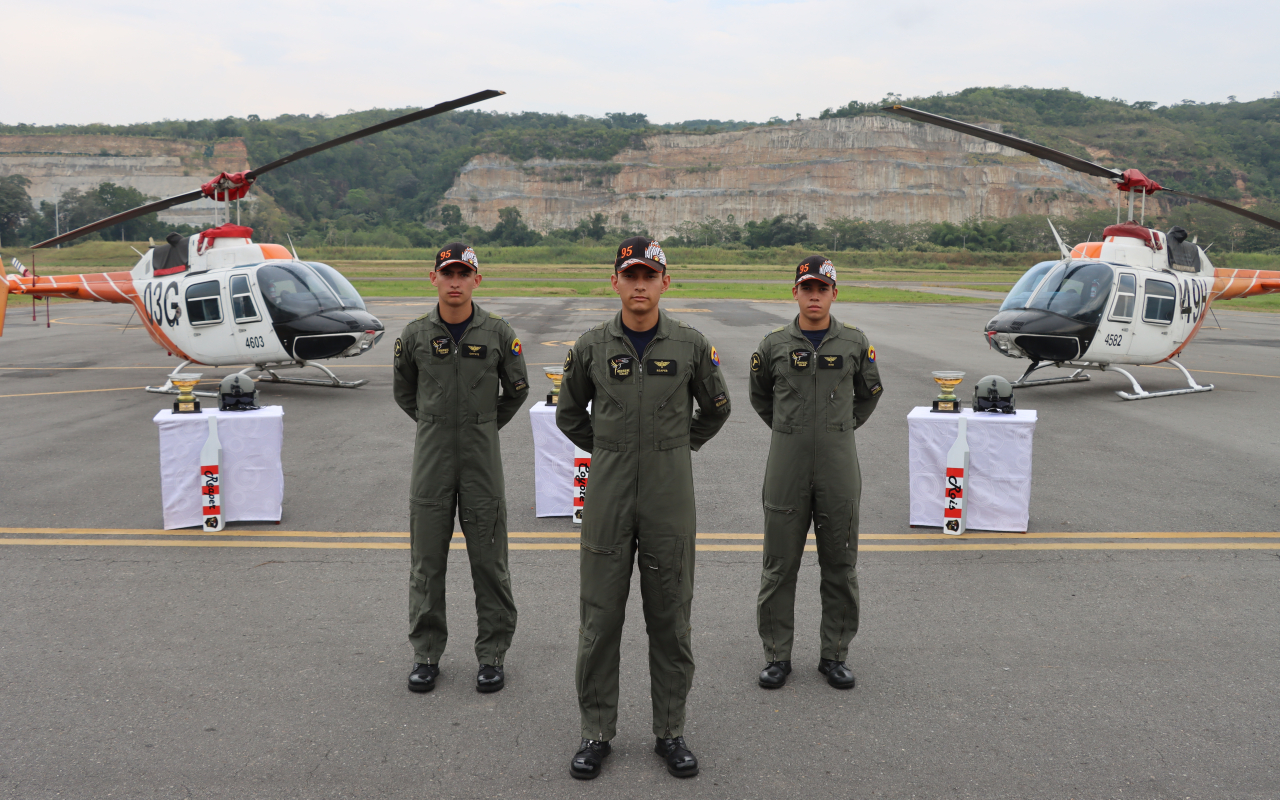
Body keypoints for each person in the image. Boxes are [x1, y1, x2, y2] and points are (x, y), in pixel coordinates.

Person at [556, 236, 732, 780]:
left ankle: (671, 732)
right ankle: (595, 732)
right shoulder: (590, 345)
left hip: (668, 493)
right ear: (615, 281)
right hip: (608, 490)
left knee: (670, 617)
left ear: (664, 283)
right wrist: (611, 449)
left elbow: (717, 408)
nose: (639, 284)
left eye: (649, 275)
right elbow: (568, 414)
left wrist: (678, 447)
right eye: (630, 274)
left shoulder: (690, 345)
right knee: (600, 619)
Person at [392, 242, 530, 694]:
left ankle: (492, 655)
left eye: (463, 274)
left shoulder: (497, 333)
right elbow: (404, 392)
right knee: (426, 562)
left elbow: (517, 389)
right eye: (447, 273)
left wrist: (483, 425)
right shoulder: (414, 336)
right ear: (433, 277)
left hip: (480, 458)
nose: (455, 281)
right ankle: (426, 654)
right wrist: (436, 424)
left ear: (477, 280)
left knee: (489, 561)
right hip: (431, 457)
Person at [747, 255, 882, 691]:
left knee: (840, 563)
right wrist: (793, 431)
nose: (814, 296)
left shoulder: (855, 343)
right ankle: (776, 655)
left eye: (822, 288)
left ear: (834, 294)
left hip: (839, 465)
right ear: (795, 293)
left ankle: (834, 654)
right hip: (786, 463)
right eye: (807, 288)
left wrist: (838, 428)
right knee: (778, 564)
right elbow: (760, 396)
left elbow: (868, 395)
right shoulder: (773, 345)